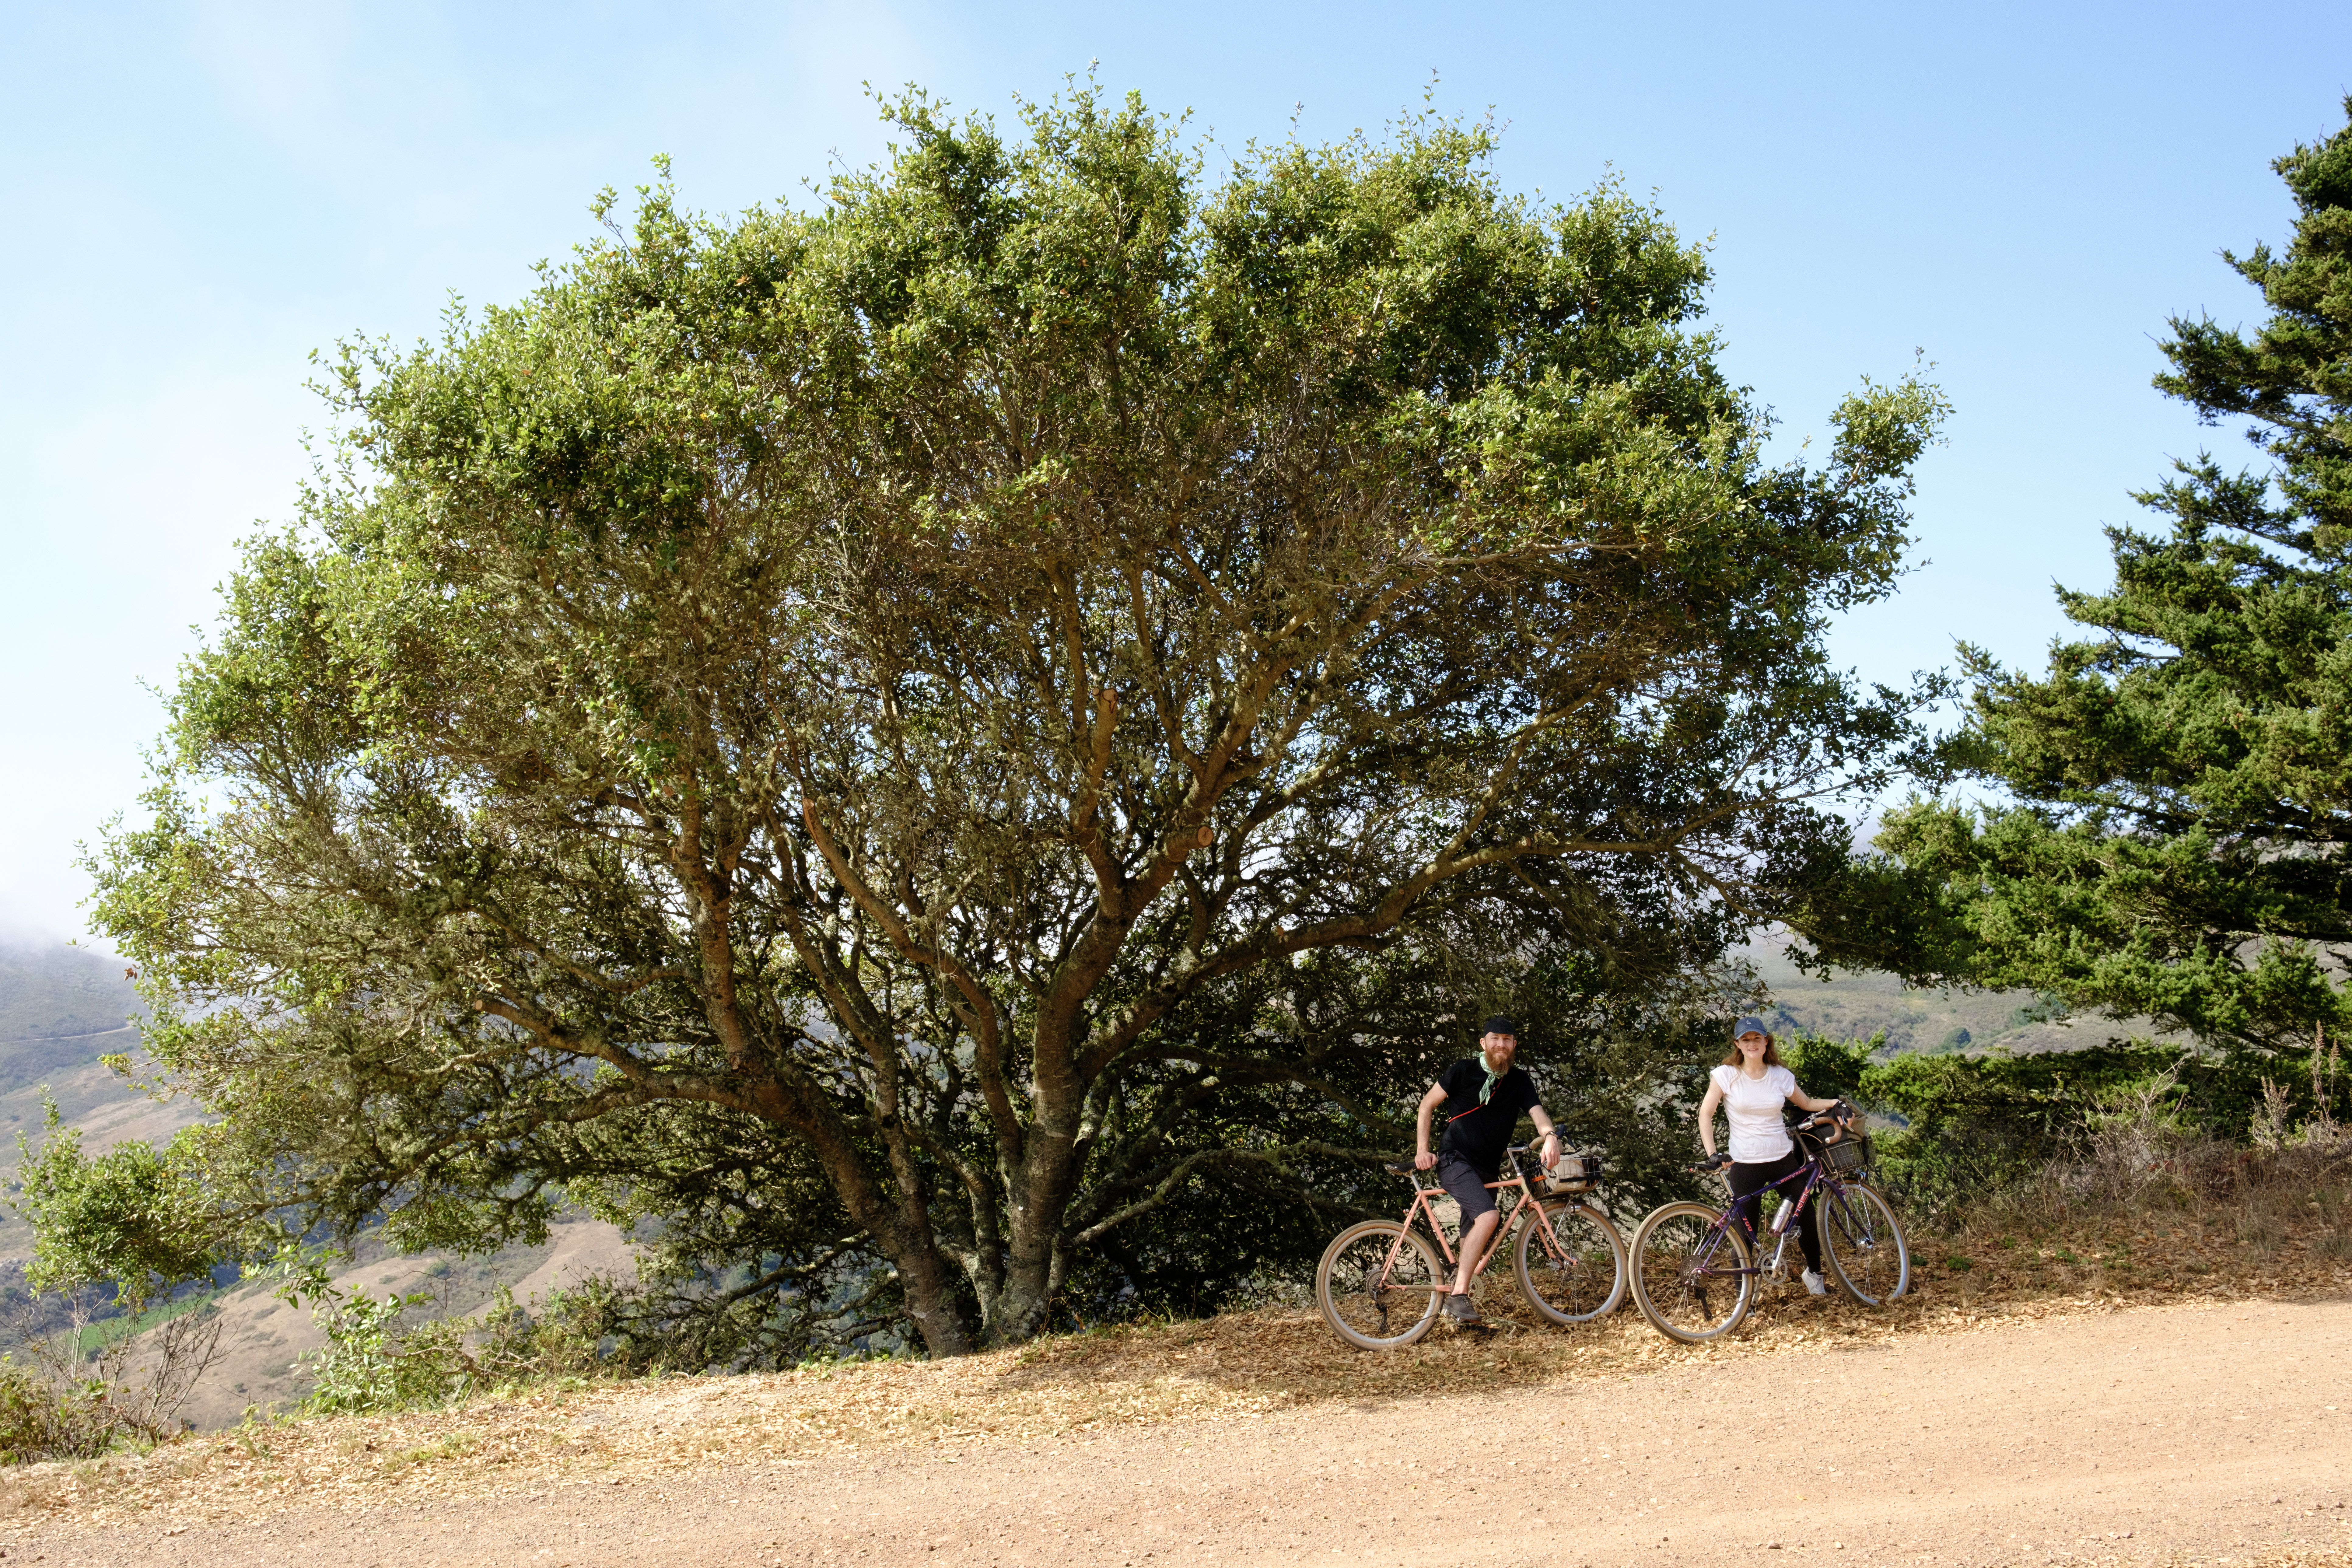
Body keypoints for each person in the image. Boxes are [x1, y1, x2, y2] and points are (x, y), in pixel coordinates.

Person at [1413, 1015, 1561, 1327]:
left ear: (1514, 1045)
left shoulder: (1519, 1081)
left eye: (1507, 1039)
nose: (1501, 1044)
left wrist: (1550, 1136)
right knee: (1490, 1216)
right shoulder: (1462, 1071)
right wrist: (1422, 1150)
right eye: (1495, 1038)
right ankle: (1459, 1297)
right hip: (1455, 1159)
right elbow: (1426, 1106)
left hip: (1488, 1167)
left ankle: (1458, 1311)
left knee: (1472, 1236)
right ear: (1484, 1043)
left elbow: (1539, 1114)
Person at [1695, 1016, 1848, 1295]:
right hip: (1745, 1164)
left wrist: (1836, 1104)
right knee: (1743, 1236)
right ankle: (1745, 1298)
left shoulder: (1780, 1076)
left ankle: (1814, 1275)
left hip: (1782, 1161)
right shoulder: (1726, 1075)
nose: (1752, 1044)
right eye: (1745, 1040)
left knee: (1806, 1220)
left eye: (1757, 1039)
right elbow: (1706, 1114)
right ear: (1737, 1045)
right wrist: (1713, 1153)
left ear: (1766, 1042)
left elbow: (1807, 1103)